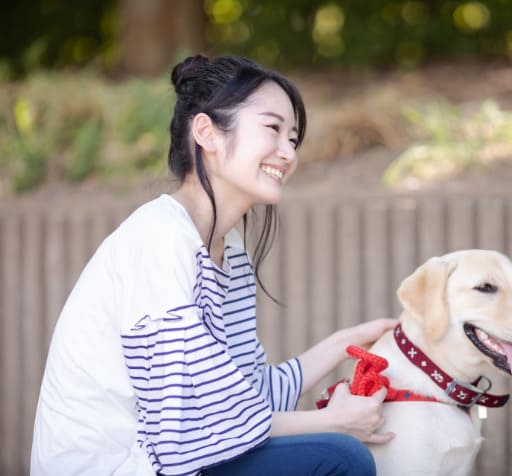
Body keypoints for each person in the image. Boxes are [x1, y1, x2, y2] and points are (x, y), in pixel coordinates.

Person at [31, 54, 396, 476]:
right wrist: (335, 422)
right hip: (126, 467)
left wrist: (345, 343)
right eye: (273, 129)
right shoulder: (161, 240)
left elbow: (246, 397)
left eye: (293, 138)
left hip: (170, 460)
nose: (288, 153)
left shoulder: (228, 248)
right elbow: (193, 427)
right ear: (206, 132)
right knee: (340, 458)